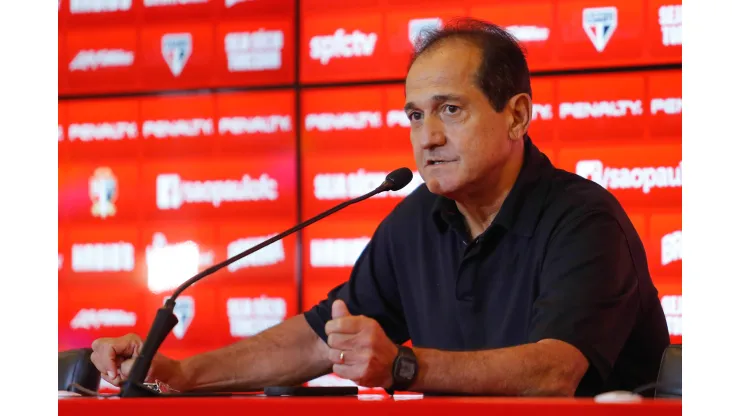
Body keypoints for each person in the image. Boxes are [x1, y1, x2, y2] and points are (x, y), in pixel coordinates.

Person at [89, 18, 670, 397]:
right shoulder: (416, 220)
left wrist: (405, 367)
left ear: (516, 115)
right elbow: (323, 338)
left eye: (450, 110)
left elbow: (554, 373)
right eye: (415, 115)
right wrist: (181, 373)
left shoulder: (583, 221)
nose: (427, 137)